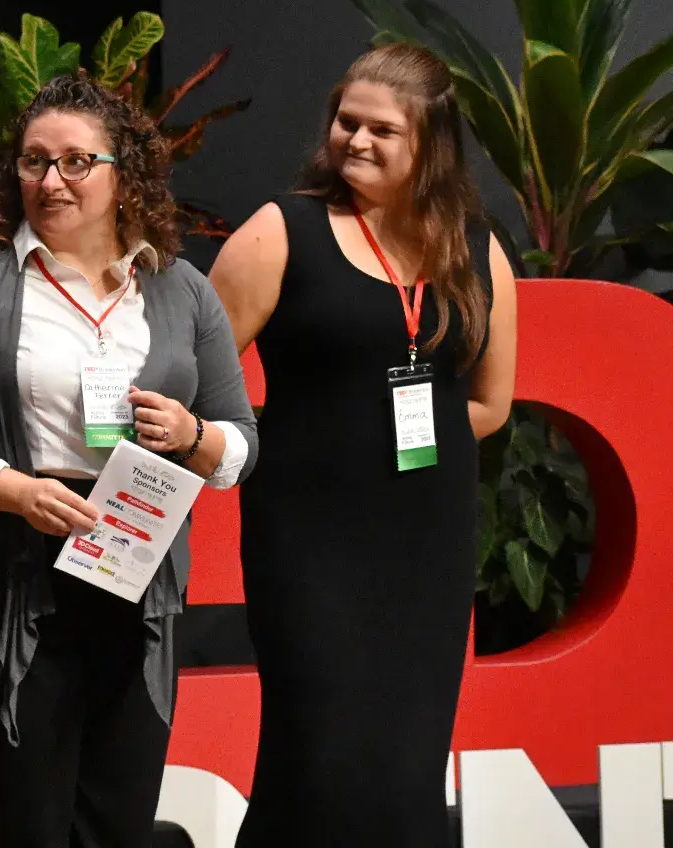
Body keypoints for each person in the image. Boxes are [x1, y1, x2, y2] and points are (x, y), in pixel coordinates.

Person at [0, 73, 258, 848]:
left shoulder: (182, 290)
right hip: (14, 574)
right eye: (33, 163)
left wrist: (192, 434)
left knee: (118, 817)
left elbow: (240, 445)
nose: (51, 182)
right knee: (16, 816)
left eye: (74, 163)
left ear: (124, 173)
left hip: (138, 575)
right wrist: (17, 491)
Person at [209, 42, 517, 845]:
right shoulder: (283, 230)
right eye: (348, 122)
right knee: (318, 752)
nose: (356, 141)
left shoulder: (476, 248)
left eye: (383, 130)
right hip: (307, 540)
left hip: (426, 540)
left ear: (432, 146)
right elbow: (198, 377)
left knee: (406, 760)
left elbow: (487, 401)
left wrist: (402, 455)